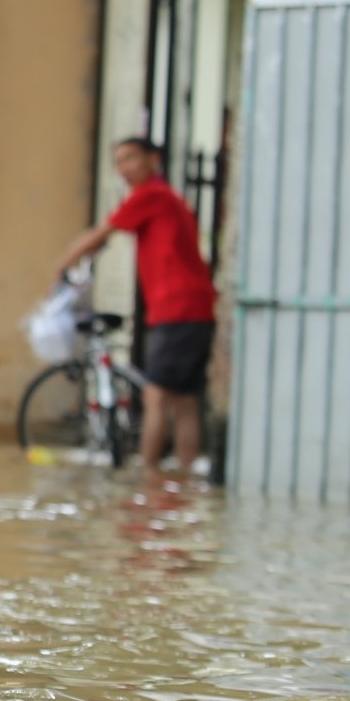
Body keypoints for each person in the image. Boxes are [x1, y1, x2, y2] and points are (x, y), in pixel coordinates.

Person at [54, 136, 217, 473]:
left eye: (131, 158)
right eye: (118, 162)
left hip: (177, 310)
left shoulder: (152, 195)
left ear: (152, 160)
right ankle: (180, 480)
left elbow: (100, 234)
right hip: (194, 309)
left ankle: (147, 481)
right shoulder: (165, 198)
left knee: (156, 397)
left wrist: (58, 269)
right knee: (184, 401)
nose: (124, 169)